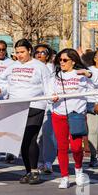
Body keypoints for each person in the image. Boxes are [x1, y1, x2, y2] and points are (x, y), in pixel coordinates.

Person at [0, 39, 51, 185]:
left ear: (29, 51)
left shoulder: (40, 67)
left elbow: (49, 87)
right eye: (17, 52)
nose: (19, 55)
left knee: (30, 138)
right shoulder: (12, 66)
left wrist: (52, 99)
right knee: (22, 141)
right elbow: (3, 83)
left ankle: (34, 171)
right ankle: (29, 171)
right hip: (16, 106)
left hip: (35, 106)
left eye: (22, 52)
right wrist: (0, 90)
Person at [50, 48, 98, 189]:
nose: (62, 62)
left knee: (77, 147)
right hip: (58, 114)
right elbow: (48, 94)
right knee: (61, 147)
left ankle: (78, 170)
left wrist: (89, 74)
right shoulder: (55, 76)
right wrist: (52, 99)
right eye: (60, 60)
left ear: (73, 61)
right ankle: (64, 176)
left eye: (65, 60)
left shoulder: (81, 74)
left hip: (76, 115)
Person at [34, 43, 56, 174]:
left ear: (48, 55)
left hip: (49, 106)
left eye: (43, 52)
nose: (39, 55)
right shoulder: (32, 67)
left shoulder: (53, 68)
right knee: (37, 136)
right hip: (35, 105)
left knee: (48, 135)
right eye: (37, 52)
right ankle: (38, 161)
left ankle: (48, 162)